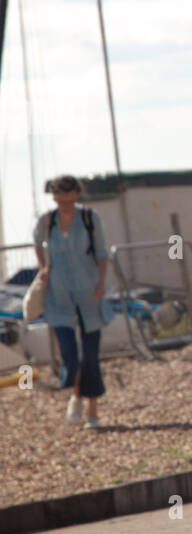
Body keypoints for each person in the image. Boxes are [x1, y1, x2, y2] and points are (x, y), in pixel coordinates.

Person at [31, 175, 110, 429]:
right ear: (54, 199)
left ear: (76, 196)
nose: (65, 205)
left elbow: (101, 252)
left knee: (90, 354)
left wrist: (101, 281)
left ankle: (93, 411)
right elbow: (37, 242)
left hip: (89, 292)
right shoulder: (47, 220)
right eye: (60, 201)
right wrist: (43, 266)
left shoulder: (90, 218)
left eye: (70, 200)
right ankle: (75, 395)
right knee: (69, 352)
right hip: (59, 293)